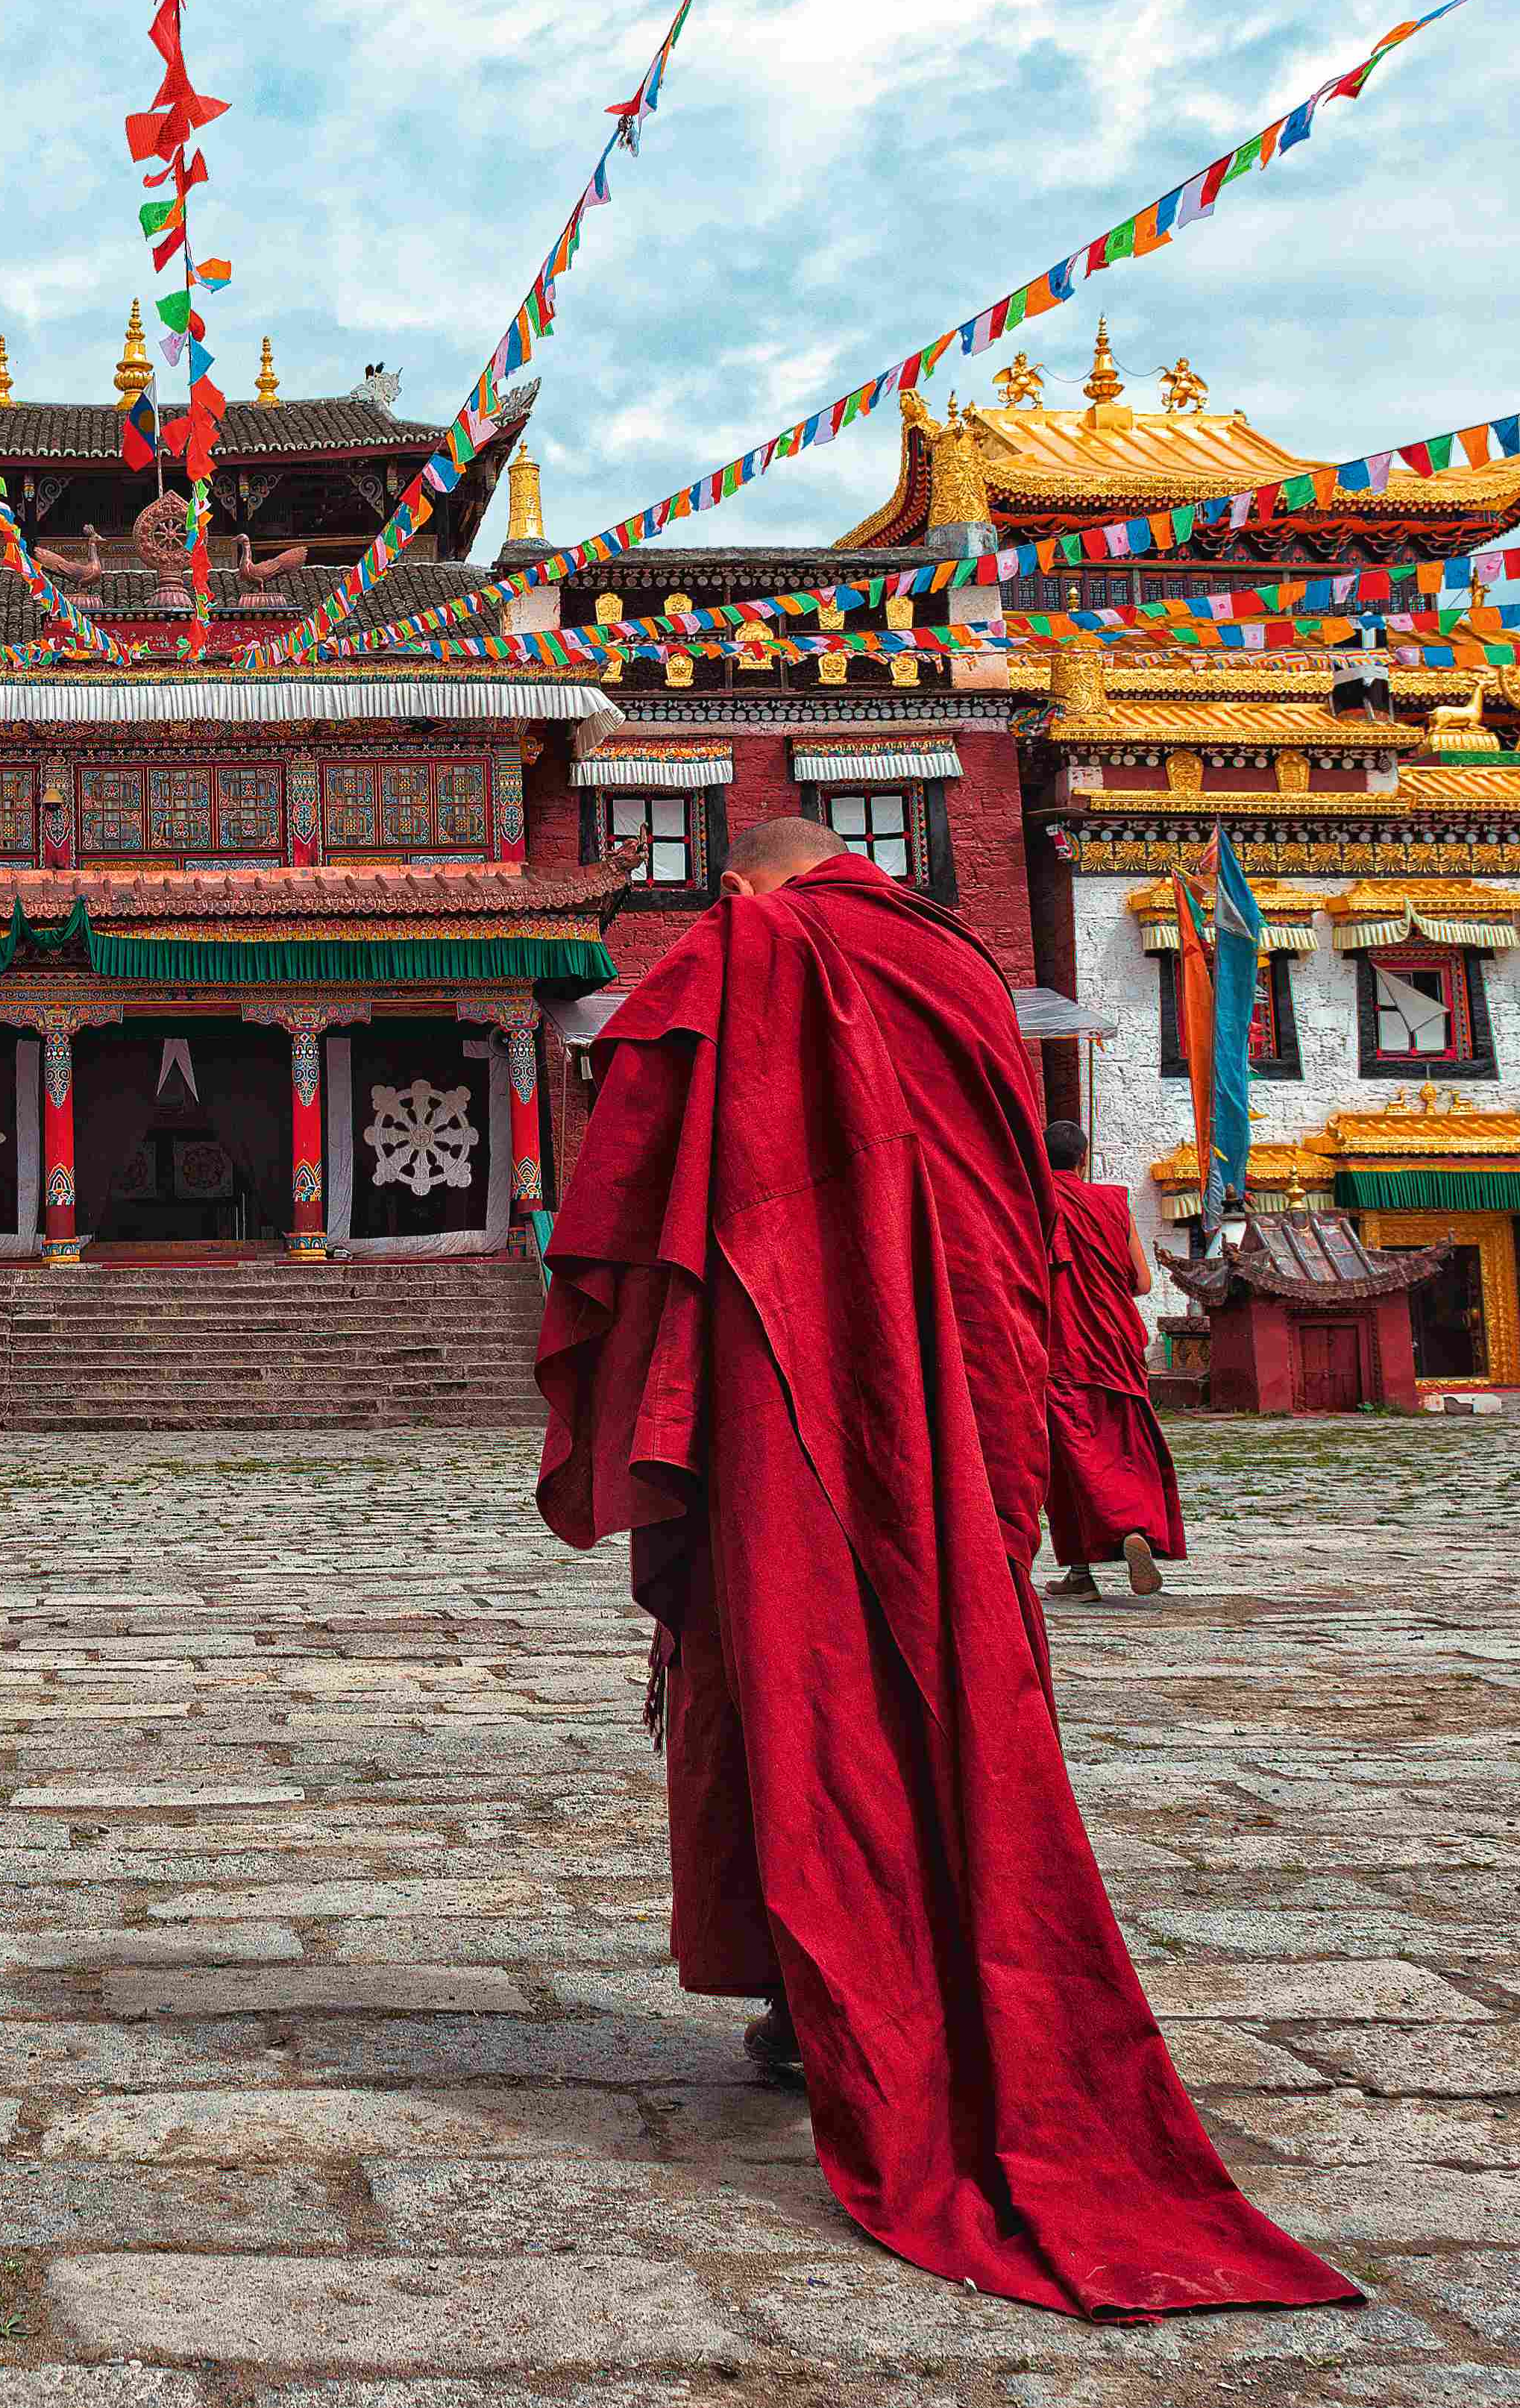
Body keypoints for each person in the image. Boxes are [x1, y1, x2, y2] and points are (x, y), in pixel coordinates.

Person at [536, 811, 1354, 2323]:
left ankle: (832, 2000)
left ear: (739, 882)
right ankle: (909, 1977)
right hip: (961, 1383)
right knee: (946, 1662)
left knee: (797, 1672)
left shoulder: (750, 951)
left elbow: (637, 1087)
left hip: (793, 1380)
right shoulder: (961, 972)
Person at [1039, 1118, 1185, 1601]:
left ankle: (1114, 1540)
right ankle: (1089, 1566)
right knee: (1124, 1448)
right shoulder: (1111, 1202)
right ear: (1083, 1158)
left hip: (1065, 1345)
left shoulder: (1040, 1203)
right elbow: (1142, 1282)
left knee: (1073, 1456)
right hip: (1117, 1344)